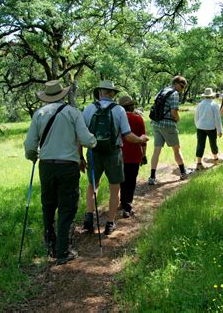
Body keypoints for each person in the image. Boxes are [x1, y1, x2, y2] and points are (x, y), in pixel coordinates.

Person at [24, 80, 97, 265]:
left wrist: (32, 156)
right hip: (68, 166)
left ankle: (50, 243)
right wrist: (94, 141)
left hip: (46, 166)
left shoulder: (39, 113)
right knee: (67, 207)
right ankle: (62, 251)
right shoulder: (73, 113)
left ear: (46, 97)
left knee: (48, 204)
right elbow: (86, 139)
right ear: (63, 95)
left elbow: (30, 144)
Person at [81, 80, 148, 235]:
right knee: (114, 187)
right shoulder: (119, 110)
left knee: (92, 185)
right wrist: (140, 140)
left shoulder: (89, 109)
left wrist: (79, 157)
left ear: (99, 93)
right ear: (112, 94)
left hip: (93, 152)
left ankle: (89, 217)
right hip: (113, 153)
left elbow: (81, 135)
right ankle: (110, 223)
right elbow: (127, 135)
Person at [148, 75, 190, 185]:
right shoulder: (174, 94)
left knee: (156, 151)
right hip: (168, 125)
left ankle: (152, 177)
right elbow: (173, 113)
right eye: (182, 86)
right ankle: (183, 172)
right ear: (176, 84)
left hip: (156, 124)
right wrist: (178, 120)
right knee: (176, 149)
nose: (182, 89)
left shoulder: (162, 90)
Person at [118, 95, 147, 218]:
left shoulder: (117, 118)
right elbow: (143, 140)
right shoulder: (138, 119)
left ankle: (122, 202)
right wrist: (144, 155)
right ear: (132, 106)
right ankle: (127, 206)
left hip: (119, 154)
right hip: (135, 155)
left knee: (121, 180)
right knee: (131, 181)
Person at [194, 88, 222, 170]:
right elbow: (217, 118)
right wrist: (219, 130)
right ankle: (215, 159)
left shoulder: (199, 105)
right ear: (211, 96)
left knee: (200, 144)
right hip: (211, 127)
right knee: (213, 143)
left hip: (200, 127)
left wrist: (197, 125)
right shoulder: (214, 104)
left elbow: (196, 117)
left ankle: (199, 163)